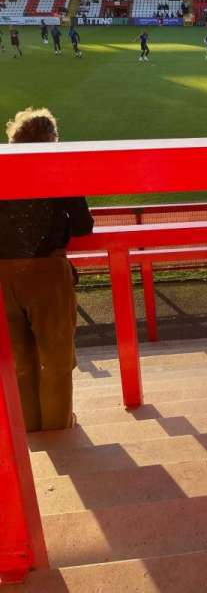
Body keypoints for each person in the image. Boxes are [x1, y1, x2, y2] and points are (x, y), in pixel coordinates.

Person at [0, 108, 94, 431]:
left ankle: (30, 432)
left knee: (20, 364)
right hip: (47, 276)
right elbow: (84, 225)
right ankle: (57, 432)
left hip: (4, 278)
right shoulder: (57, 167)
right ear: (50, 139)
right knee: (55, 362)